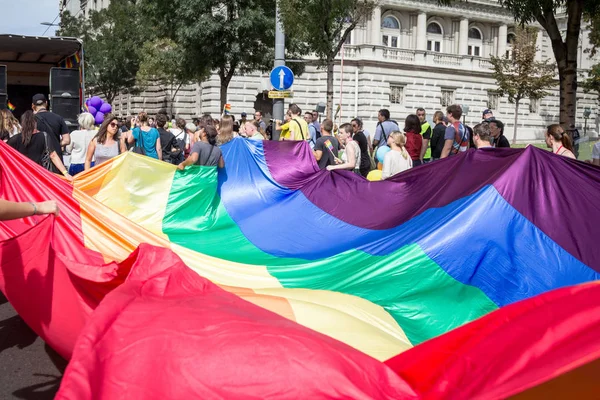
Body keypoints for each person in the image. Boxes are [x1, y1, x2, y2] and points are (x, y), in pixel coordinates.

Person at [8, 111, 72, 180]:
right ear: (35, 123)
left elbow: (5, 151)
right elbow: (53, 155)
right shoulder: (44, 136)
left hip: (23, 175)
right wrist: (65, 173)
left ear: (22, 123)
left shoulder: (15, 139)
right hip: (40, 175)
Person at [32, 94, 71, 164]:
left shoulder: (31, 120)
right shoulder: (58, 118)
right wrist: (54, 144)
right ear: (46, 103)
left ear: (33, 106)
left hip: (38, 160)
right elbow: (67, 140)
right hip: (57, 160)